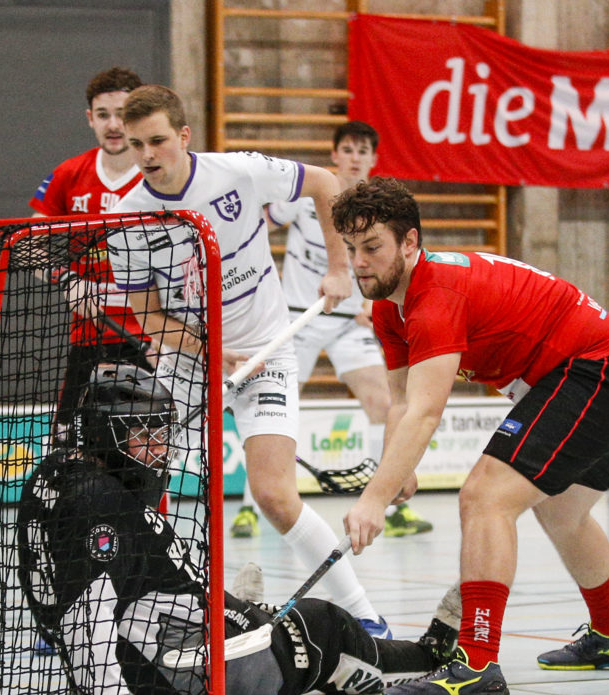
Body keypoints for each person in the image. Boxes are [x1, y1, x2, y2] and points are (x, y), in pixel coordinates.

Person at [331, 177, 609, 695]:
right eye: (351, 249)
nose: (359, 262)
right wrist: (399, 467)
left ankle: (477, 666)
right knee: (562, 514)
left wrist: (373, 497)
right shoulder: (389, 307)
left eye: (373, 248)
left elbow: (427, 410)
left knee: (485, 497)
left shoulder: (435, 296)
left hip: (605, 374)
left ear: (409, 243)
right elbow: (400, 402)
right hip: (598, 377)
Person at [15, 364, 459, 695]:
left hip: (157, 641)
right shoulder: (96, 502)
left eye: (161, 431)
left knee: (255, 612)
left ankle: (235, 611)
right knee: (323, 626)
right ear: (102, 433)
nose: (160, 447)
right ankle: (427, 656)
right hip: (170, 670)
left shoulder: (61, 475)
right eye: (143, 433)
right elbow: (84, 607)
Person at [106, 84, 394, 638]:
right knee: (146, 488)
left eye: (158, 141)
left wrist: (339, 266)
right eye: (137, 144)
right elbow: (147, 317)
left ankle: (363, 613)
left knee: (273, 495)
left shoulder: (238, 172)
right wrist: (209, 352)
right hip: (189, 363)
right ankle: (132, 612)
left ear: (183, 137)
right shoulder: (130, 217)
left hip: (269, 351)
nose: (146, 156)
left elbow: (326, 183)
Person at [229, 121, 433, 541]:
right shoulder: (308, 198)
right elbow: (259, 225)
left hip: (348, 323)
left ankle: (391, 507)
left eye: (363, 150)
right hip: (299, 320)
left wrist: (375, 306)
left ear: (373, 159)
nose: (355, 156)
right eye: (348, 149)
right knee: (266, 406)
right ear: (335, 155)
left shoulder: (382, 210)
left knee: (383, 402)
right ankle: (251, 509)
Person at [28, 67, 152, 429]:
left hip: (153, 335)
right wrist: (66, 279)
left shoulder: (159, 173)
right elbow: (27, 246)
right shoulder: (69, 173)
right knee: (67, 438)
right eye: (103, 115)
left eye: (123, 114)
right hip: (91, 336)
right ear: (90, 119)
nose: (114, 125)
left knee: (149, 444)